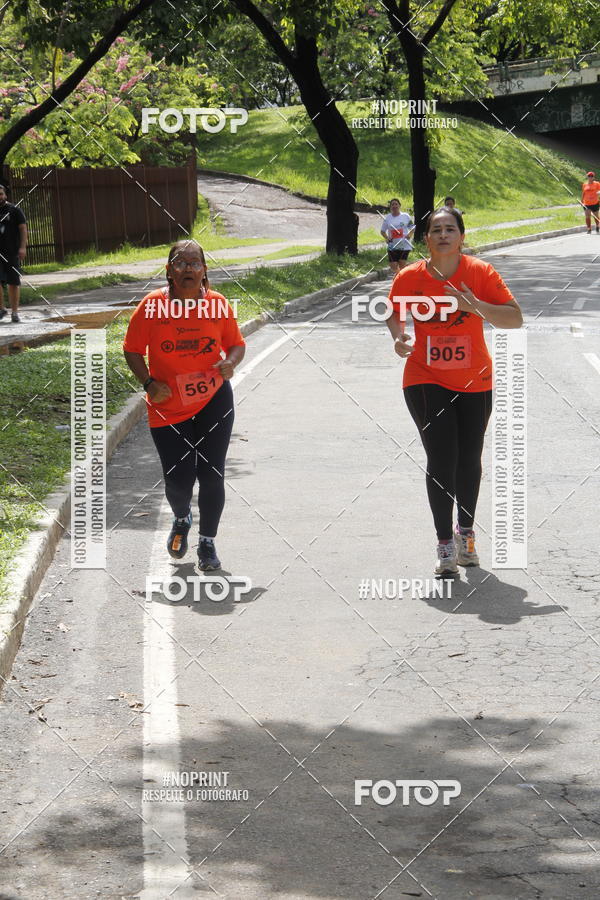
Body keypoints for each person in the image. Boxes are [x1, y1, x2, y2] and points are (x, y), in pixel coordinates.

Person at [385, 207, 523, 576]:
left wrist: (474, 305)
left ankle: (466, 534)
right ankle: (445, 542)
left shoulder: (480, 273)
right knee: (442, 457)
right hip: (424, 375)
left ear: (462, 236)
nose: (443, 234)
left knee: (469, 459)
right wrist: (400, 336)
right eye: (436, 230)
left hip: (475, 378)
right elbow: (392, 311)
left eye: (450, 229)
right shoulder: (410, 277)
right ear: (425, 239)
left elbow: (514, 318)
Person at [123, 239, 245, 571]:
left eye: (195, 264)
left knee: (212, 472)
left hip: (213, 399)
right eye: (181, 263)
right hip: (167, 403)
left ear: (205, 271)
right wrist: (149, 382)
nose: (188, 269)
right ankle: (182, 516)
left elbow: (235, 344)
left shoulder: (218, 305)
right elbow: (132, 349)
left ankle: (207, 544)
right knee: (178, 479)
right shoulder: (151, 307)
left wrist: (230, 363)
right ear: (169, 271)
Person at [0, 184, 27, 323]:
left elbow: (23, 229)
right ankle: (2, 309)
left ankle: (15, 313)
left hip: (12, 252)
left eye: (0, 194)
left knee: (13, 282)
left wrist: (23, 247)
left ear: (5, 195)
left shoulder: (14, 210)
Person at [380, 198, 414, 274]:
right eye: (392, 204)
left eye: (396, 204)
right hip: (392, 245)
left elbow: (412, 227)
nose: (394, 206)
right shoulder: (388, 218)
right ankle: (400, 276)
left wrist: (409, 235)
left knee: (402, 265)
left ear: (399, 206)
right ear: (390, 207)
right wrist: (386, 238)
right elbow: (382, 231)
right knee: (393, 266)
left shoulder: (405, 216)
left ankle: (400, 280)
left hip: (404, 244)